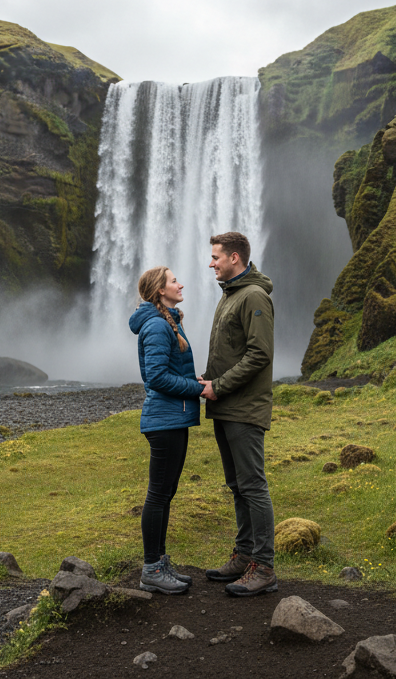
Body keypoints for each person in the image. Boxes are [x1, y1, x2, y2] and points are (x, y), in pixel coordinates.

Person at [199, 231, 278, 597]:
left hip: (243, 408)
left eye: (216, 257)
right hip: (226, 405)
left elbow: (259, 354)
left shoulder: (253, 296)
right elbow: (233, 350)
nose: (211, 263)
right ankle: (245, 555)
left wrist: (220, 384)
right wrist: (209, 379)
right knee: (237, 486)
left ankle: (264, 567)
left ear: (234, 257)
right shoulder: (232, 294)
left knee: (253, 486)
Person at [128, 266, 204, 595]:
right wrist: (197, 389)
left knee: (165, 493)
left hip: (173, 417)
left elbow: (167, 369)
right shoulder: (158, 325)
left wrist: (193, 383)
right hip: (165, 420)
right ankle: (151, 569)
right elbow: (156, 377)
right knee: (158, 494)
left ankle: (158, 562)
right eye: (174, 280)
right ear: (161, 290)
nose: (180, 283)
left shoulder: (167, 320)